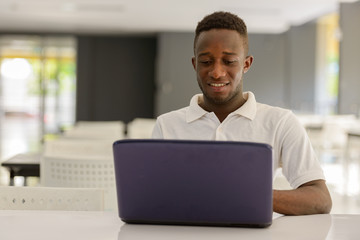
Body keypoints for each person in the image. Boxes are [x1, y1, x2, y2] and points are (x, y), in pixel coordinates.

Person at [152, 11, 332, 215]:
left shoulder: (280, 122)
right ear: (195, 64)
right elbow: (155, 196)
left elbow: (320, 199)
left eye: (229, 61)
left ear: (246, 64)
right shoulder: (166, 125)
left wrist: (247, 194)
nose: (217, 72)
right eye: (206, 62)